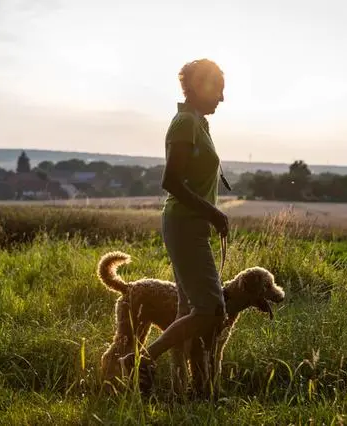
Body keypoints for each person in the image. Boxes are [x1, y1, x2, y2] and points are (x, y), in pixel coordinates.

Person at [118, 58, 229, 394]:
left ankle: (188, 388)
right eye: (218, 90)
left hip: (191, 225)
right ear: (196, 86)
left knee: (188, 307)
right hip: (184, 223)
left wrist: (208, 216)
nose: (222, 99)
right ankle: (142, 359)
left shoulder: (198, 122)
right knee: (212, 309)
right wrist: (212, 212)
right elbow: (171, 181)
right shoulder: (184, 123)